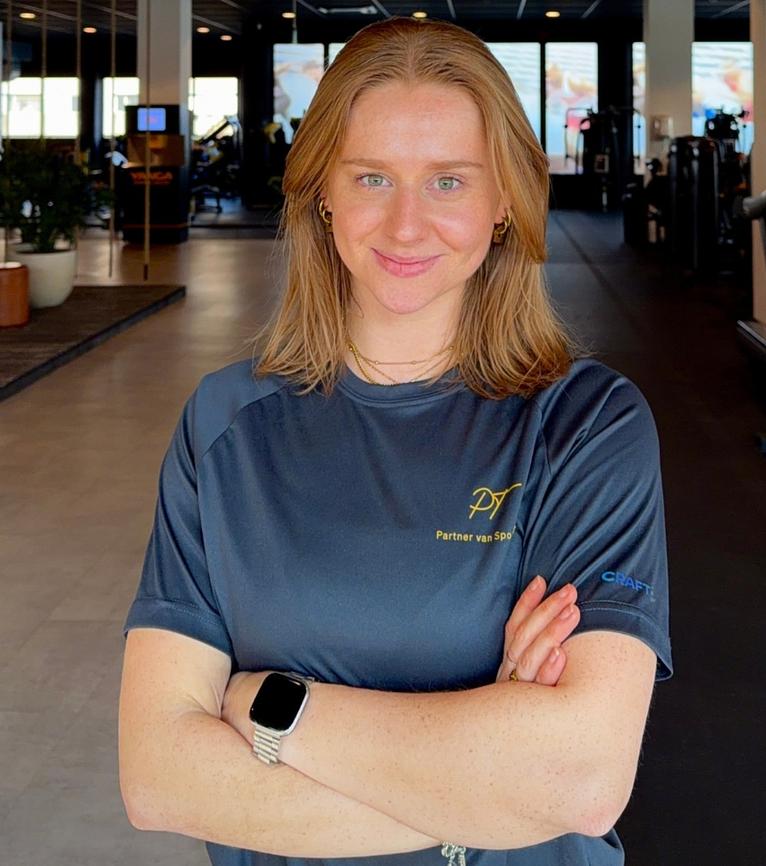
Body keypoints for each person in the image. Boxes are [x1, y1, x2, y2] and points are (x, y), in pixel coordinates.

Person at [119, 16, 673, 866]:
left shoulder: (587, 425)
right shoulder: (223, 423)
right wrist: (491, 786)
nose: (407, 225)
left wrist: (270, 707)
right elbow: (159, 778)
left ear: (503, 204)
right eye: (372, 177)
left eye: (449, 181)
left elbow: (581, 782)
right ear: (323, 193)